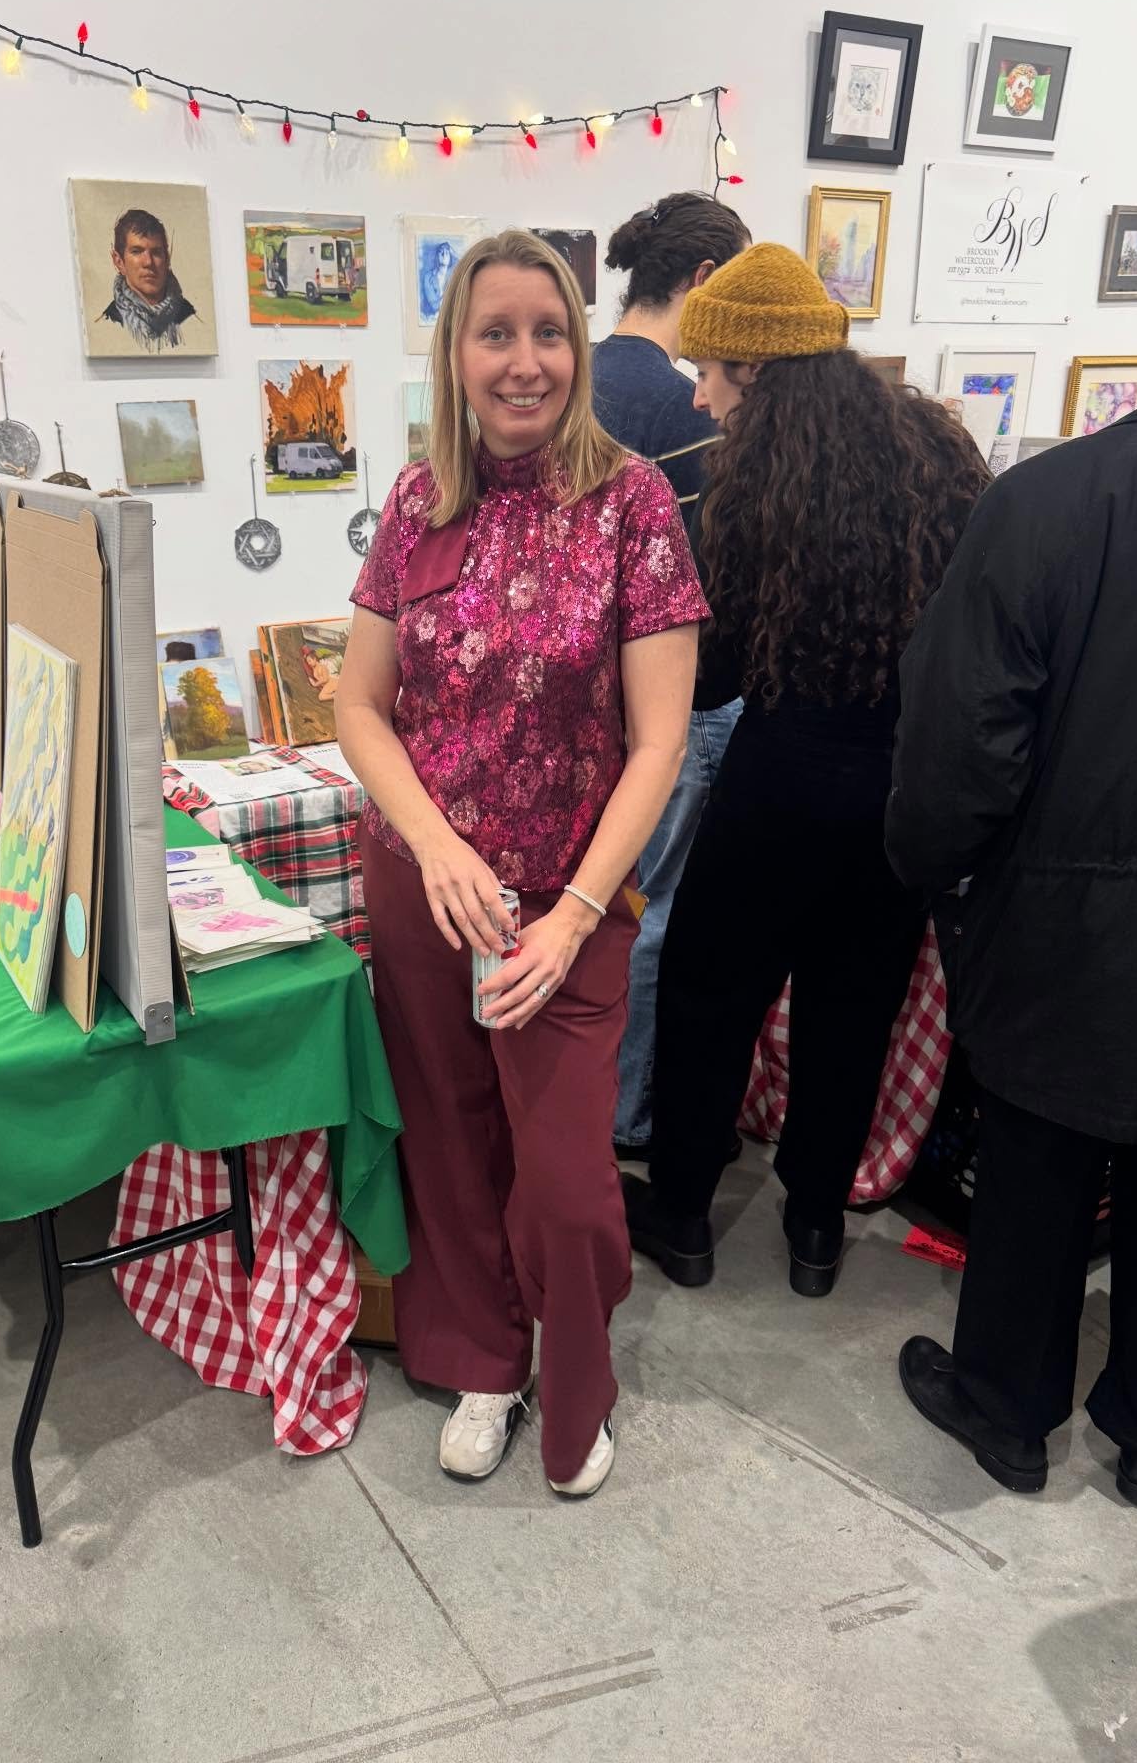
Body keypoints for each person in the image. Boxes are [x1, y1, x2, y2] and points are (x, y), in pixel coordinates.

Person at [336, 229, 706, 1498]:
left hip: (569, 899)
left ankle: (578, 1385)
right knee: (449, 1136)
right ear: (456, 353)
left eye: (548, 332)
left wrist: (575, 914)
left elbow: (660, 744)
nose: (525, 361)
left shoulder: (634, 505)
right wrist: (433, 847)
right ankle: (484, 1359)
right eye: (496, 333)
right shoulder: (414, 503)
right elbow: (359, 708)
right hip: (426, 885)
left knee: (563, 1183)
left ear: (580, 346)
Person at [886, 233, 1137, 1510]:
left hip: (1067, 910)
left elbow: (959, 739)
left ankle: (1008, 1406)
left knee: (1036, 1157)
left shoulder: (1051, 499)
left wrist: (939, 875)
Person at [622, 243, 988, 1297]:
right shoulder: (942, 460)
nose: (699, 394)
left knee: (707, 994)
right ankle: (817, 1227)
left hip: (777, 785)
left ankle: (684, 1214)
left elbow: (716, 676)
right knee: (851, 1010)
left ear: (760, 374)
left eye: (712, 374)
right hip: (894, 801)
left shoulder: (748, 493)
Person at [592, 192, 753, 1155]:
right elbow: (717, 574)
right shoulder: (684, 405)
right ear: (702, 282)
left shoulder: (575, 382)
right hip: (678, 700)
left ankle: (581, 1104)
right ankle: (628, 1115)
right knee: (657, 917)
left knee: (590, 904)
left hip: (575, 708)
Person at [102, 208, 197, 351]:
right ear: (119, 262)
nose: (148, 262)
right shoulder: (108, 323)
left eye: (156, 252)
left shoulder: (190, 317)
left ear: (167, 259)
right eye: (137, 251)